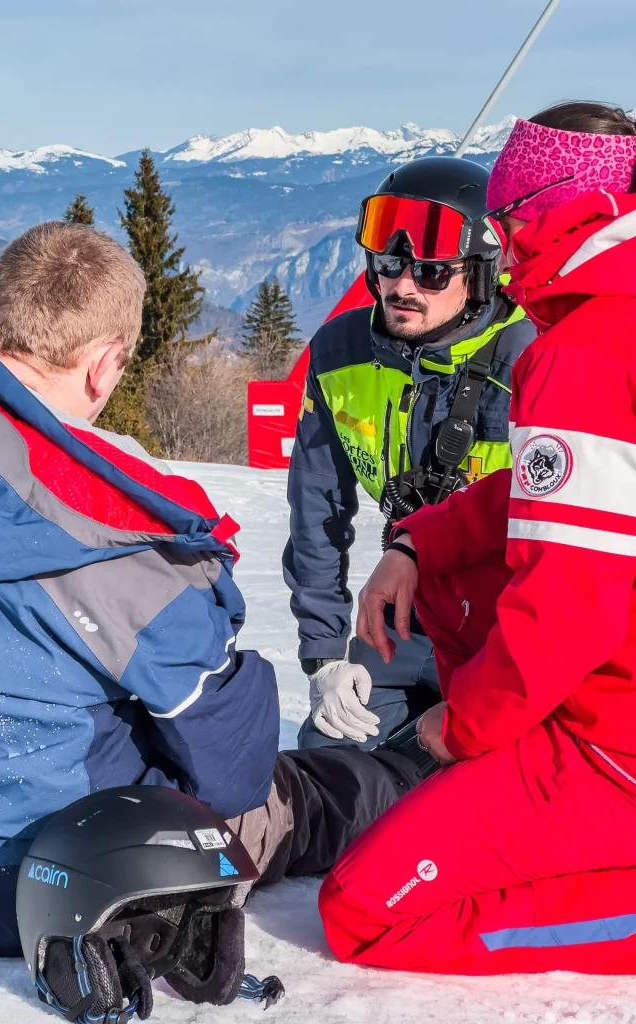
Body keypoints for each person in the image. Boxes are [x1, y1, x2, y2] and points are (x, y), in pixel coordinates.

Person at [0, 221, 419, 955]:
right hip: (41, 880)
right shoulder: (120, 537)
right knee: (309, 796)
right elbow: (233, 770)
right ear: (104, 366)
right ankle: (420, 778)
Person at [319, 102, 636, 975]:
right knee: (455, 588)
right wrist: (419, 543)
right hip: (607, 693)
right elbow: (564, 492)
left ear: (549, 213)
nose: (506, 240)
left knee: (362, 912)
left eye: (511, 218)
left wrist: (455, 734)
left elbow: (567, 607)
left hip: (617, 747)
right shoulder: (610, 320)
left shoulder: (587, 350)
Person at [284, 157, 535, 749]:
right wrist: (323, 655)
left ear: (479, 274)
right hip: (400, 616)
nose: (401, 286)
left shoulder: (532, 358)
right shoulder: (341, 352)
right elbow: (317, 510)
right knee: (328, 769)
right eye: (390, 264)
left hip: (508, 632)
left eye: (431, 272)